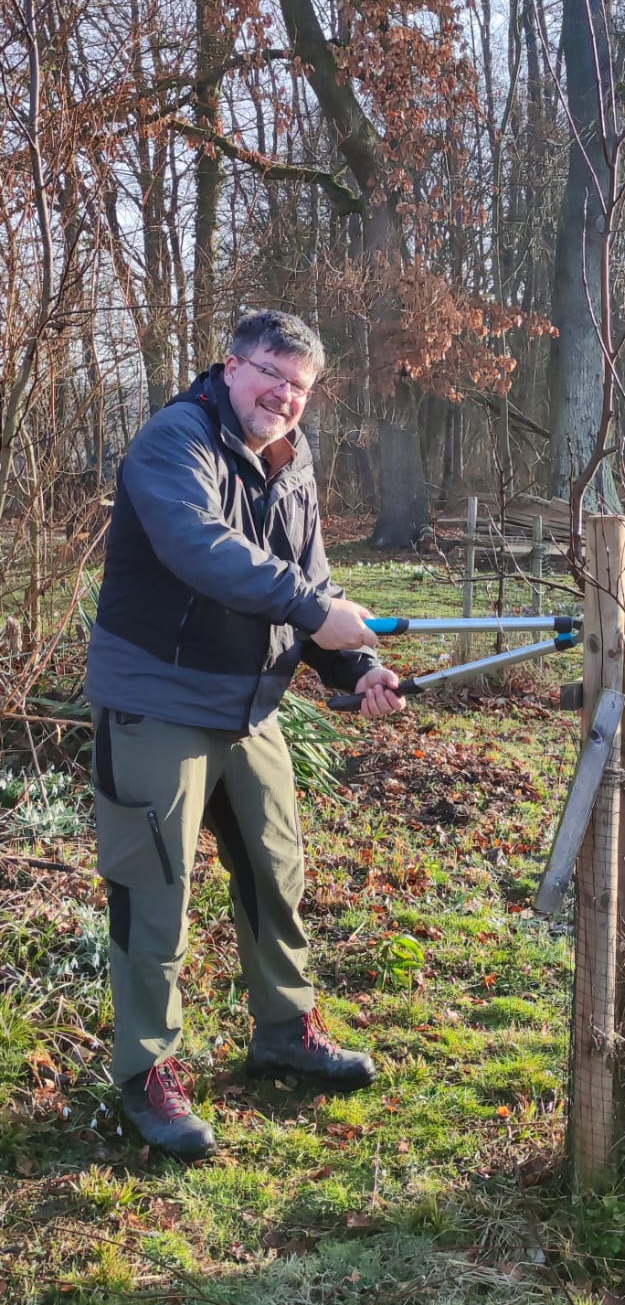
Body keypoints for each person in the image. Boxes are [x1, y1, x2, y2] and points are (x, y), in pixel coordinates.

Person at [86, 309, 405, 1160]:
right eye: (271, 374)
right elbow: (202, 549)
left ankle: (284, 1032)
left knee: (275, 873)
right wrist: (312, 608)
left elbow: (312, 580)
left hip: (249, 707)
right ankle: (146, 1073)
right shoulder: (172, 442)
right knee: (153, 891)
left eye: (299, 386)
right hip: (157, 699)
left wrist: (356, 667)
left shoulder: (292, 460)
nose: (284, 396)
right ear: (230, 367)